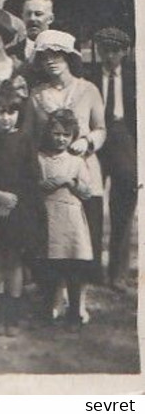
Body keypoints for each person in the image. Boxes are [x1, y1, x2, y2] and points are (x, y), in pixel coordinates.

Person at [30, 30, 106, 313]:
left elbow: (101, 128)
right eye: (46, 57)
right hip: (49, 173)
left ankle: (78, 304)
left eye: (58, 55)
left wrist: (87, 141)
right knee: (50, 241)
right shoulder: (37, 95)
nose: (52, 62)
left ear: (69, 58)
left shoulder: (88, 90)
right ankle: (53, 300)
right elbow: (29, 135)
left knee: (79, 242)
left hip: (83, 170)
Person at [0, 82, 45, 335]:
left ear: (19, 114)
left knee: (14, 260)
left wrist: (14, 199)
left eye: (11, 113)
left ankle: (12, 314)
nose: (6, 118)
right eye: (0, 112)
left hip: (18, 209)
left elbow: (32, 176)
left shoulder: (24, 141)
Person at [87, 27, 137, 290]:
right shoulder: (89, 76)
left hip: (123, 136)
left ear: (125, 52)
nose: (109, 56)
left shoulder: (135, 78)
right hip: (95, 138)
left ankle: (118, 272)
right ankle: (92, 269)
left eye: (115, 50)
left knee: (124, 202)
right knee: (92, 202)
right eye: (104, 50)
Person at [37, 109, 94, 328]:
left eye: (66, 135)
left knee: (73, 267)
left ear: (72, 137)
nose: (60, 139)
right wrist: (43, 185)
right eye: (56, 133)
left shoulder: (76, 161)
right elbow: (30, 185)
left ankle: (74, 314)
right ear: (49, 133)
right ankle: (49, 309)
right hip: (49, 217)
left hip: (71, 220)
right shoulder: (40, 158)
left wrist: (70, 183)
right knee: (51, 265)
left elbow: (87, 192)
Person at [14, 0, 55, 64]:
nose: (32, 18)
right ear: (22, 17)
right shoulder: (10, 53)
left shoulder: (62, 52)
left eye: (38, 14)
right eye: (28, 14)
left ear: (50, 19)